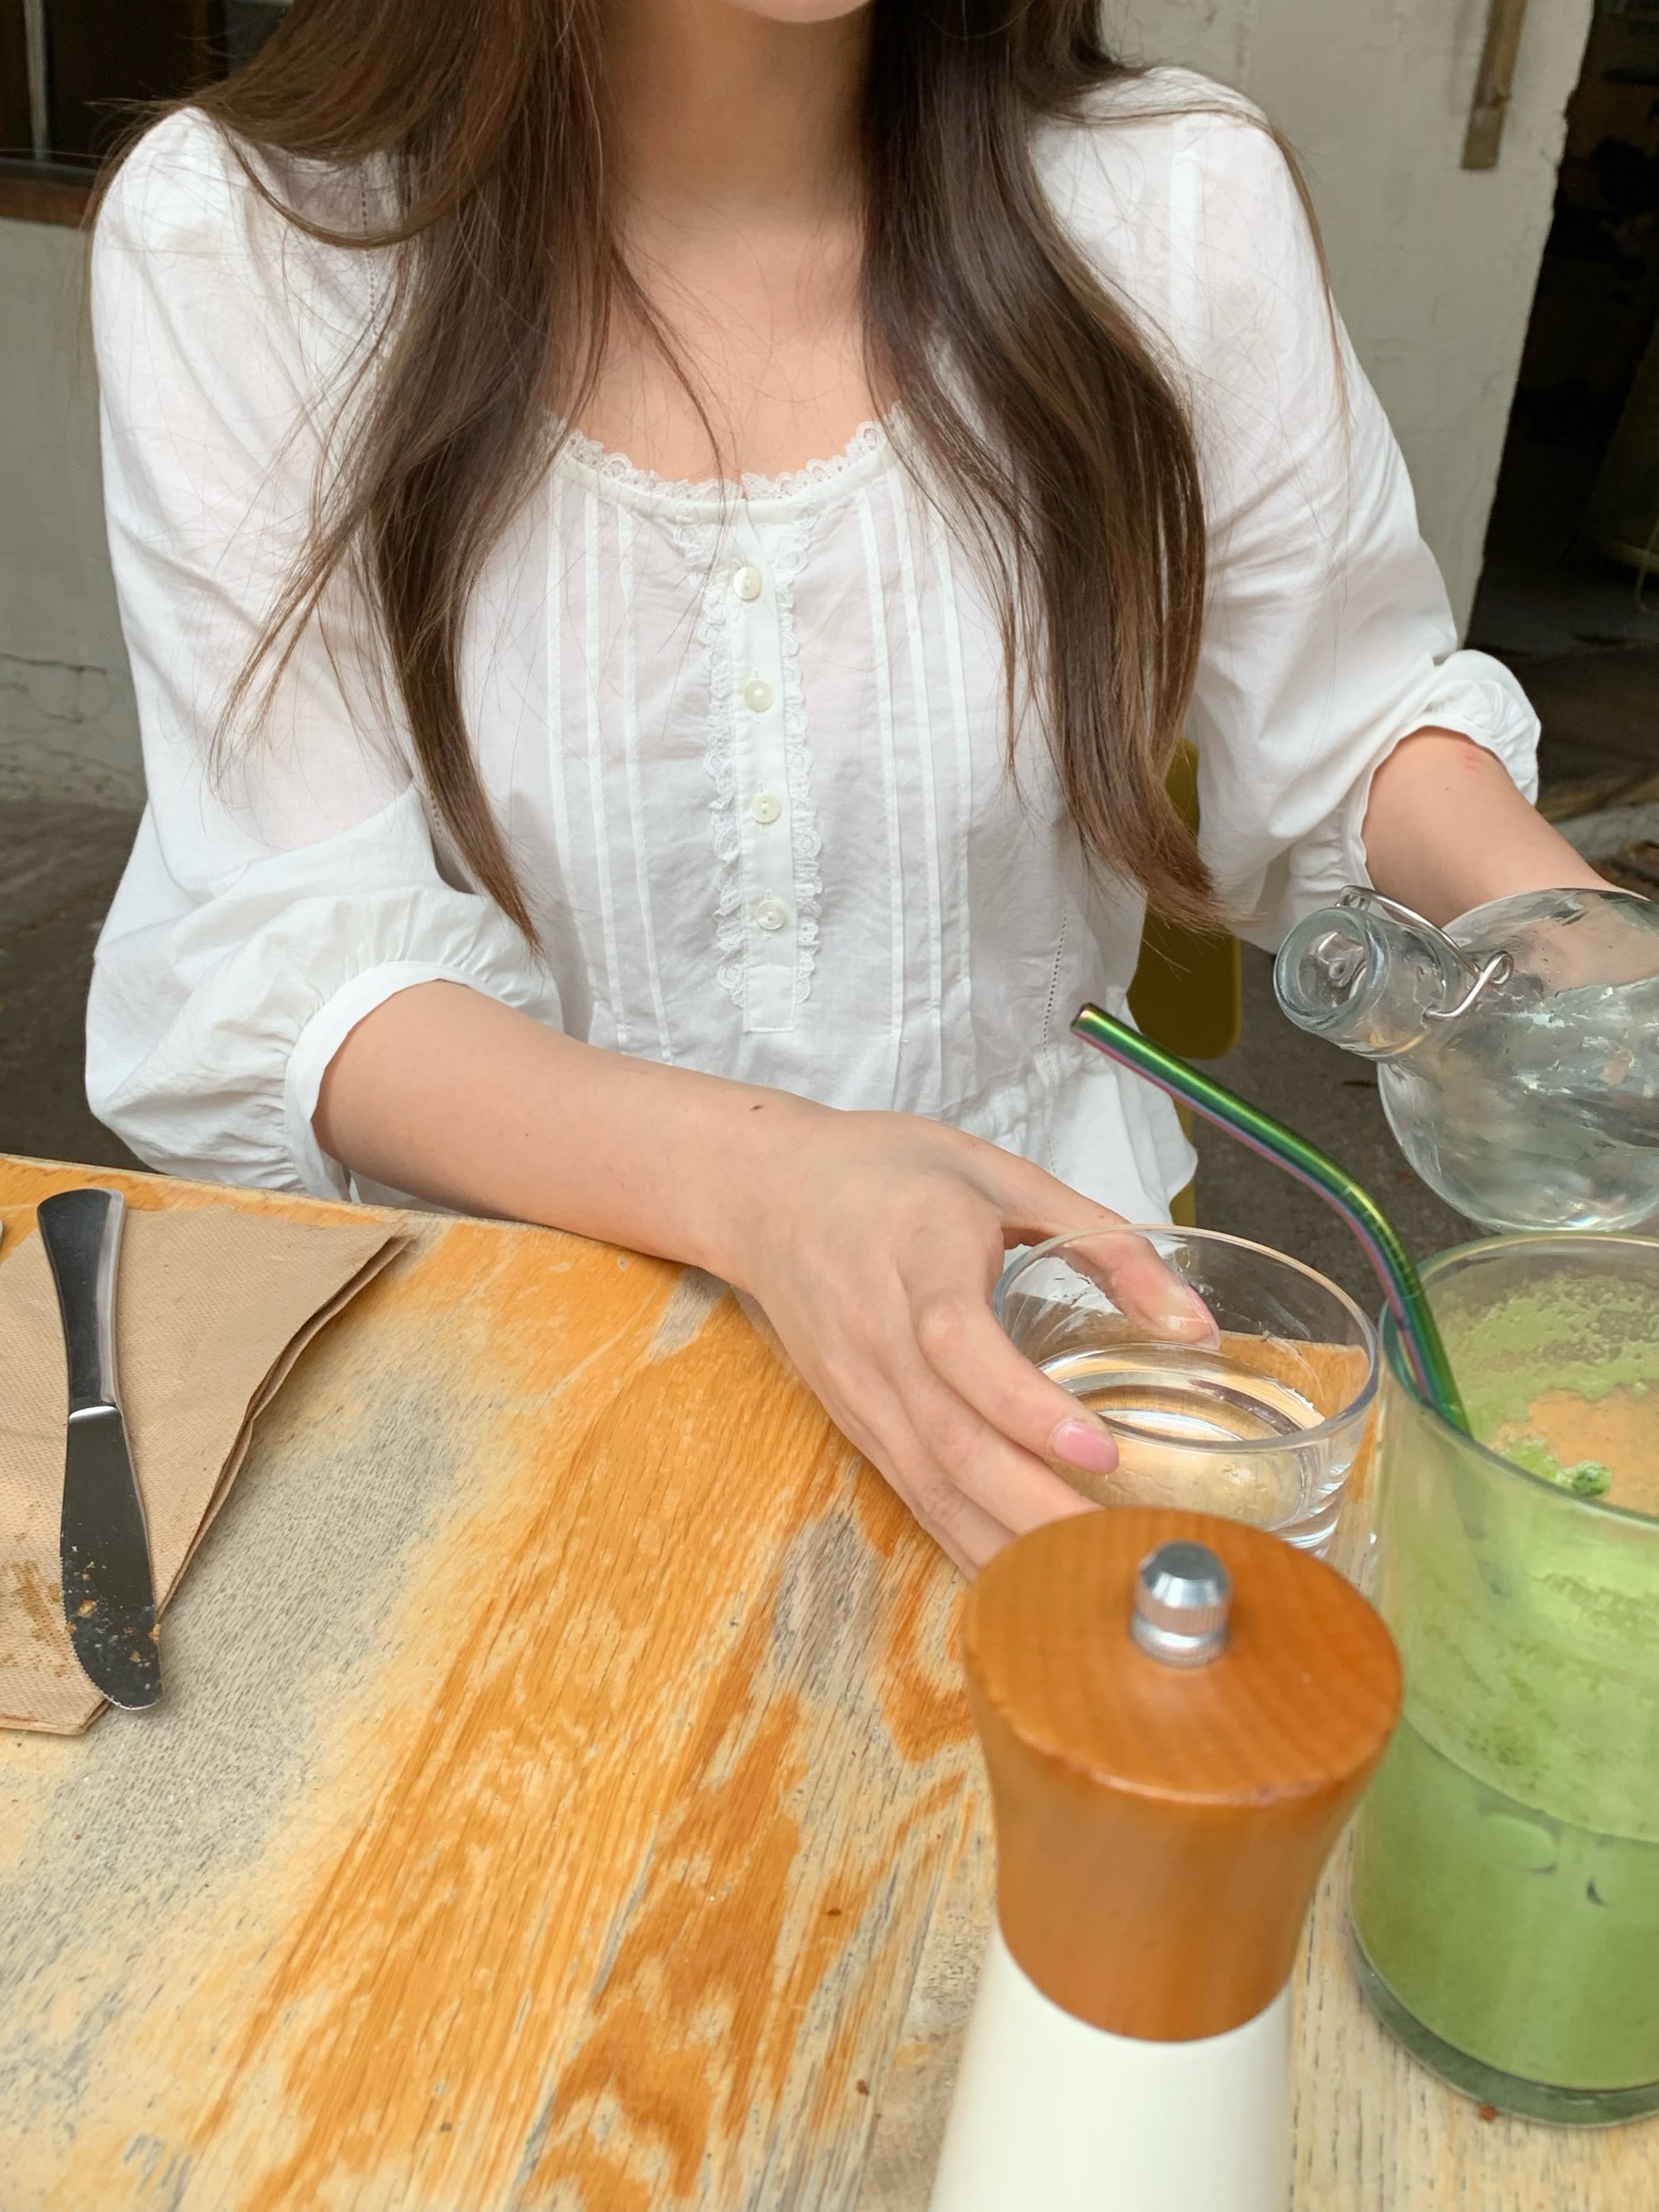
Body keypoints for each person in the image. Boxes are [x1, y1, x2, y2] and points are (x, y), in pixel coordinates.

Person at [86, 0, 1603, 1573]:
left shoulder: (1173, 199)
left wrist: (1594, 970)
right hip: (508, 1355)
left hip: (1053, 1348)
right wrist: (767, 1186)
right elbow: (297, 960)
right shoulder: (246, 243)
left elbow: (1352, 723)